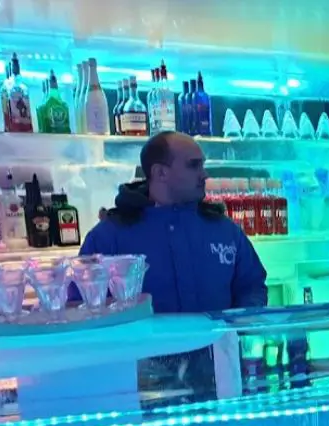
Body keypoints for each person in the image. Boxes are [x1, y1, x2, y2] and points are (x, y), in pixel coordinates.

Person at [76, 131, 268, 313]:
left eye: (202, 165)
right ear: (160, 172)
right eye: (193, 165)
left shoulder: (224, 230)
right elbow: (81, 302)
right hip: (142, 339)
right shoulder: (108, 236)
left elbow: (252, 286)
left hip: (218, 338)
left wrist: (239, 326)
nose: (204, 175)